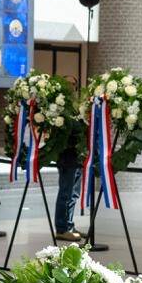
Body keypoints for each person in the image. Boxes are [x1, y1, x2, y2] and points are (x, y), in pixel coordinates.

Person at [53, 74, 84, 242]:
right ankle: (61, 228)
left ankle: (69, 224)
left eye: (73, 84)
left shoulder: (75, 106)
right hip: (66, 157)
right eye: (67, 84)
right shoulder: (58, 106)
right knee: (65, 192)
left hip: (77, 156)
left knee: (73, 194)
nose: (71, 86)